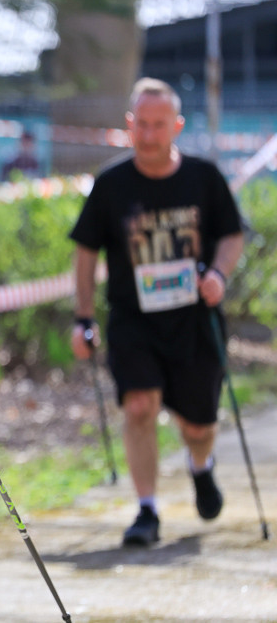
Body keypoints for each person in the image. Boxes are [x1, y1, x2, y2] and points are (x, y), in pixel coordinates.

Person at [69, 77, 244, 547]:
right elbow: (85, 253)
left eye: (158, 125)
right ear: (129, 125)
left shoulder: (204, 178)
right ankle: (147, 510)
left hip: (194, 320)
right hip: (133, 319)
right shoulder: (111, 184)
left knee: (199, 424)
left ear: (177, 126)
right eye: (140, 124)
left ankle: (200, 466)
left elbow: (231, 234)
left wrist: (219, 276)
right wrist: (83, 318)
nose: (148, 134)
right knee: (140, 406)